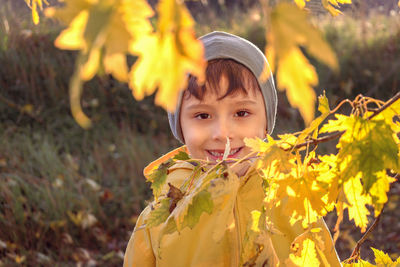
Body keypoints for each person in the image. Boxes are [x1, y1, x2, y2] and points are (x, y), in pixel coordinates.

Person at [123, 31, 341, 266]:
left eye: (241, 113)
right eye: (203, 115)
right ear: (181, 127)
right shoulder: (163, 213)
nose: (223, 133)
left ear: (266, 123)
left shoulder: (292, 201)